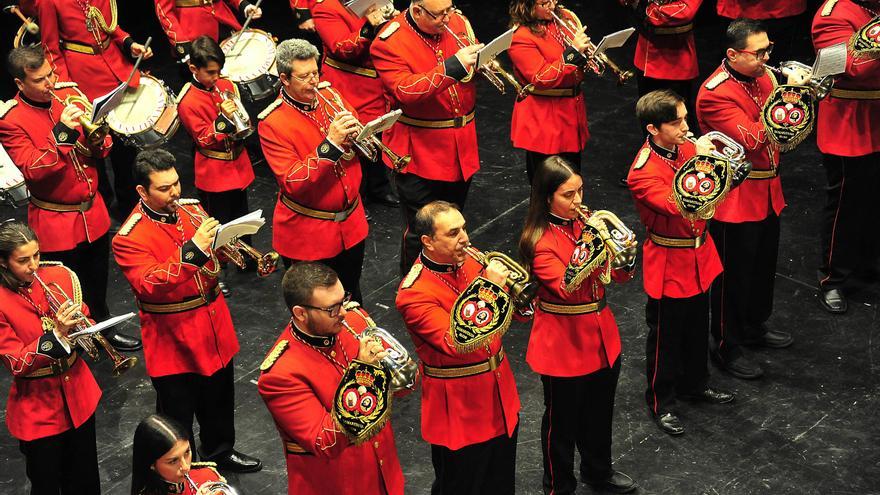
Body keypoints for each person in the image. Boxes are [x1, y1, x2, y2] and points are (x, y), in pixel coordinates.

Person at [112, 149, 262, 473]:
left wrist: (224, 246)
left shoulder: (191, 209)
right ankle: (186, 469)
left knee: (220, 395)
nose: (175, 193)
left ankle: (221, 450)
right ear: (142, 191)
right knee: (178, 410)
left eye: (176, 183)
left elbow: (212, 256)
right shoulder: (129, 237)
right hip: (172, 332)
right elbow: (150, 283)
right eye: (164, 189)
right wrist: (194, 249)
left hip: (212, 319)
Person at [0, 44, 142, 352]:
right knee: (67, 288)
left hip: (93, 211)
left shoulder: (69, 92)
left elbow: (101, 147)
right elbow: (35, 169)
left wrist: (99, 138)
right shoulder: (11, 120)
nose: (50, 83)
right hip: (56, 219)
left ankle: (104, 327)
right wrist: (63, 130)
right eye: (40, 80)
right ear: (19, 84)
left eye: (50, 74)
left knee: (97, 278)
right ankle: (75, 340)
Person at [518, 157, 636, 494]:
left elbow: (617, 276)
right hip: (563, 343)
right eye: (569, 195)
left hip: (600, 333)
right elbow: (566, 288)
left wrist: (623, 256)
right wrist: (596, 246)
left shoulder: (585, 225)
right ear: (546, 198)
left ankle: (598, 471)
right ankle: (558, 486)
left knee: (600, 412)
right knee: (561, 424)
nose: (579, 201)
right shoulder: (539, 241)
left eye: (580, 191)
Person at [628, 89, 735, 436]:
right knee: (665, 337)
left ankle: (695, 383)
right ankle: (662, 402)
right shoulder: (642, 173)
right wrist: (715, 169)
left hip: (699, 252)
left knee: (695, 326)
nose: (686, 127)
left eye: (685, 118)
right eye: (676, 123)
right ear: (652, 129)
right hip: (669, 258)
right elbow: (682, 204)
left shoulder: (685, 147)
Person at [395, 201, 520, 494]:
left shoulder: (472, 261)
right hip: (460, 407)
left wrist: (517, 301)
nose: (465, 237)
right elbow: (456, 341)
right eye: (453, 233)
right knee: (463, 486)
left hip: (500, 393)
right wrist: (491, 290)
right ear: (427, 241)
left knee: (501, 484)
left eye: (463, 228)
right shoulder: (414, 294)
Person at [696, 18, 795, 381]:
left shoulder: (764, 77)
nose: (767, 58)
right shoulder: (715, 93)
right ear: (733, 54)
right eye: (759, 52)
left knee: (762, 269)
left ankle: (754, 327)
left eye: (769, 49)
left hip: (768, 188)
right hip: (736, 198)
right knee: (733, 278)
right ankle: (726, 344)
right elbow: (753, 138)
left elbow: (783, 128)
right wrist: (789, 101)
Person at [257, 262, 405, 495]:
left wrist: (396, 371)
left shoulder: (354, 320)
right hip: (338, 485)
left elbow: (404, 384)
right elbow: (325, 442)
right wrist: (363, 375)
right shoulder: (280, 374)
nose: (344, 313)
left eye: (343, 299)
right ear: (301, 313)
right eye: (332, 308)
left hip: (383, 472)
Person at [370, 0, 484, 275]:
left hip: (460, 145)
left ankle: (450, 276)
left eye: (449, 9)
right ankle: (415, 288)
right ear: (417, 10)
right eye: (439, 14)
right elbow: (405, 90)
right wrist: (452, 68)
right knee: (423, 230)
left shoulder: (456, 21)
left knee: (453, 222)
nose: (447, 18)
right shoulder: (389, 40)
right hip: (419, 152)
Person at [258, 38, 368, 302]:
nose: (314, 81)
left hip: (351, 224)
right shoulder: (272, 123)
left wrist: (361, 134)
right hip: (310, 235)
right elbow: (293, 181)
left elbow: (357, 133)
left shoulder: (330, 94)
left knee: (352, 297)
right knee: (318, 309)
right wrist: (330, 145)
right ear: (284, 78)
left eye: (316, 73)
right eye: (304, 76)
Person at [0, 220, 102, 494]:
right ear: (3, 262)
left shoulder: (58, 275)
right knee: (48, 485)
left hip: (79, 394)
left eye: (36, 255)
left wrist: (85, 326)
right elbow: (16, 362)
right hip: (38, 407)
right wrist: (56, 334)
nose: (34, 265)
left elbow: (84, 313)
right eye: (23, 260)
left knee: (86, 480)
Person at [37, 0, 154, 219]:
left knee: (126, 148)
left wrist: (128, 43)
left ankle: (130, 206)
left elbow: (110, 26)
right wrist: (66, 89)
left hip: (115, 69)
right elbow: (50, 49)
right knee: (94, 152)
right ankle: (103, 206)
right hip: (82, 80)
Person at [812, 0, 880, 313]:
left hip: (875, 118)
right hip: (848, 124)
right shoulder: (831, 15)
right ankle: (833, 278)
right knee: (845, 205)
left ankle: (867, 264)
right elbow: (849, 68)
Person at [176, 35, 255, 268]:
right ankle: (219, 270)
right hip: (214, 170)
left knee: (242, 217)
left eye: (219, 71)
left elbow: (243, 120)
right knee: (218, 225)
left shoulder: (226, 85)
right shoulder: (187, 101)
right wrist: (224, 120)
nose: (216, 77)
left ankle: (247, 258)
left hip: (237, 163)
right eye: (210, 72)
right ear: (193, 68)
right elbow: (203, 139)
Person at [312, 0, 399, 207]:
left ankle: (379, 187)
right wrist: (370, 27)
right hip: (348, 85)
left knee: (377, 132)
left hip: (376, 84)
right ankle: (357, 196)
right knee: (353, 139)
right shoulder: (326, 8)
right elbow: (342, 49)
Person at [507, 0, 592, 183]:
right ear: (526, 4)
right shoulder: (521, 36)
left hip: (571, 113)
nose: (552, 6)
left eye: (553, 0)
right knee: (545, 188)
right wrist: (573, 53)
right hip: (544, 119)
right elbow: (541, 78)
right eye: (544, 2)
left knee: (573, 180)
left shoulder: (565, 18)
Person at [131, 413, 230, 495]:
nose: (186, 467)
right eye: (173, 461)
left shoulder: (207, 476)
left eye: (187, 452)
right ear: (152, 465)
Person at [154, 0, 262, 62]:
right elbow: (164, 12)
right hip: (194, 33)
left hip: (224, 19)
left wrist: (243, 5)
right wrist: (182, 44)